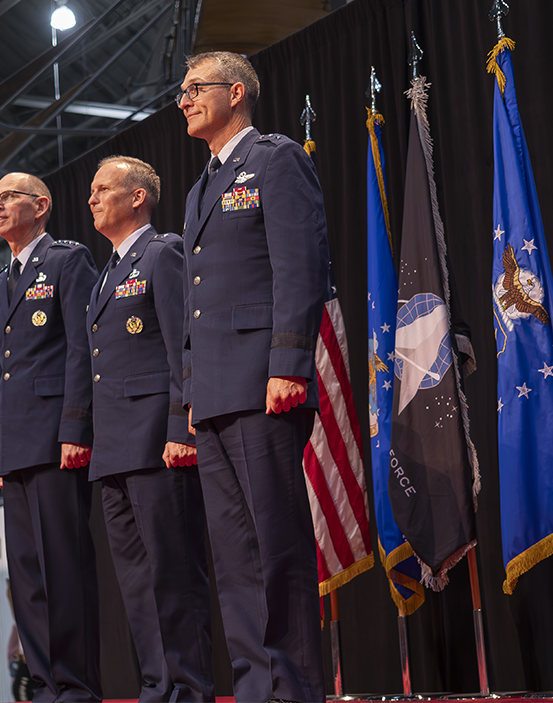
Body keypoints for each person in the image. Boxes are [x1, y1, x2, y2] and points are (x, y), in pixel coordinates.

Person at [178, 51, 330, 702]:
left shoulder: (274, 159)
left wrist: (289, 360)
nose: (182, 99)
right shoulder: (199, 189)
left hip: (263, 383)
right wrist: (189, 393)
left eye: (194, 88)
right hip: (212, 395)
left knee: (276, 550)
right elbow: (196, 302)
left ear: (234, 92)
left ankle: (292, 690)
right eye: (180, 91)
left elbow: (301, 266)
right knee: (235, 560)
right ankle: (255, 688)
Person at [85, 156, 214, 702]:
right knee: (136, 583)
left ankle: (188, 687)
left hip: (158, 444)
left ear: (137, 197)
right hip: (114, 449)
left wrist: (180, 428)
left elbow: (181, 345)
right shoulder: (107, 273)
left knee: (174, 573)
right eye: (90, 191)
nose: (92, 199)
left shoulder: (162, 255)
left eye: (103, 189)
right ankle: (157, 686)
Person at [0, 172, 102, 703]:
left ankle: (76, 686)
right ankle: (46, 686)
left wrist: (76, 426)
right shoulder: (0, 281)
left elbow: (83, 349)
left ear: (41, 205)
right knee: (27, 577)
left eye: (8, 197)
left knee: (62, 568)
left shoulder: (65, 260)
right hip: (15, 447)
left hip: (58, 439)